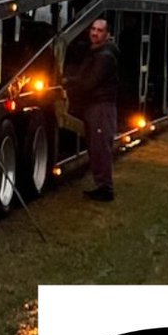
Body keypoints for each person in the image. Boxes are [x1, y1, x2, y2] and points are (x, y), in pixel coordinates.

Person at [64, 18, 119, 202]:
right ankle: (102, 185)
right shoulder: (95, 52)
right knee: (96, 147)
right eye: (93, 29)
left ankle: (105, 189)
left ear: (107, 34)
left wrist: (69, 85)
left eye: (100, 30)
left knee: (100, 148)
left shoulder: (105, 56)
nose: (95, 33)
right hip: (95, 106)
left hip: (101, 107)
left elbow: (89, 82)